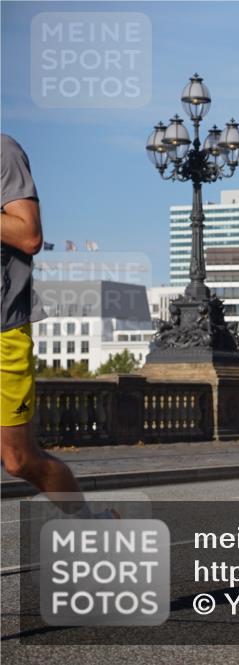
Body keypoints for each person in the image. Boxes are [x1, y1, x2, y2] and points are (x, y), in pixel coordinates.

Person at [0, 135, 111, 519]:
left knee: (18, 460)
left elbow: (28, 234)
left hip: (3, 333)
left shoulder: (3, 152)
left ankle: (94, 526)